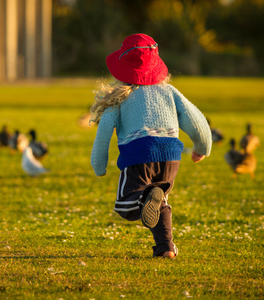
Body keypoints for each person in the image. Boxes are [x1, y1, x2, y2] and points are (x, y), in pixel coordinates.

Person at [90, 33, 212, 259]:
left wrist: (98, 164)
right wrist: (202, 147)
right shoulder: (170, 92)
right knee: (159, 201)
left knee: (126, 206)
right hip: (170, 155)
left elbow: (104, 130)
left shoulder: (119, 97)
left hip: (138, 155)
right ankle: (166, 248)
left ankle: (146, 197)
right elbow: (195, 119)